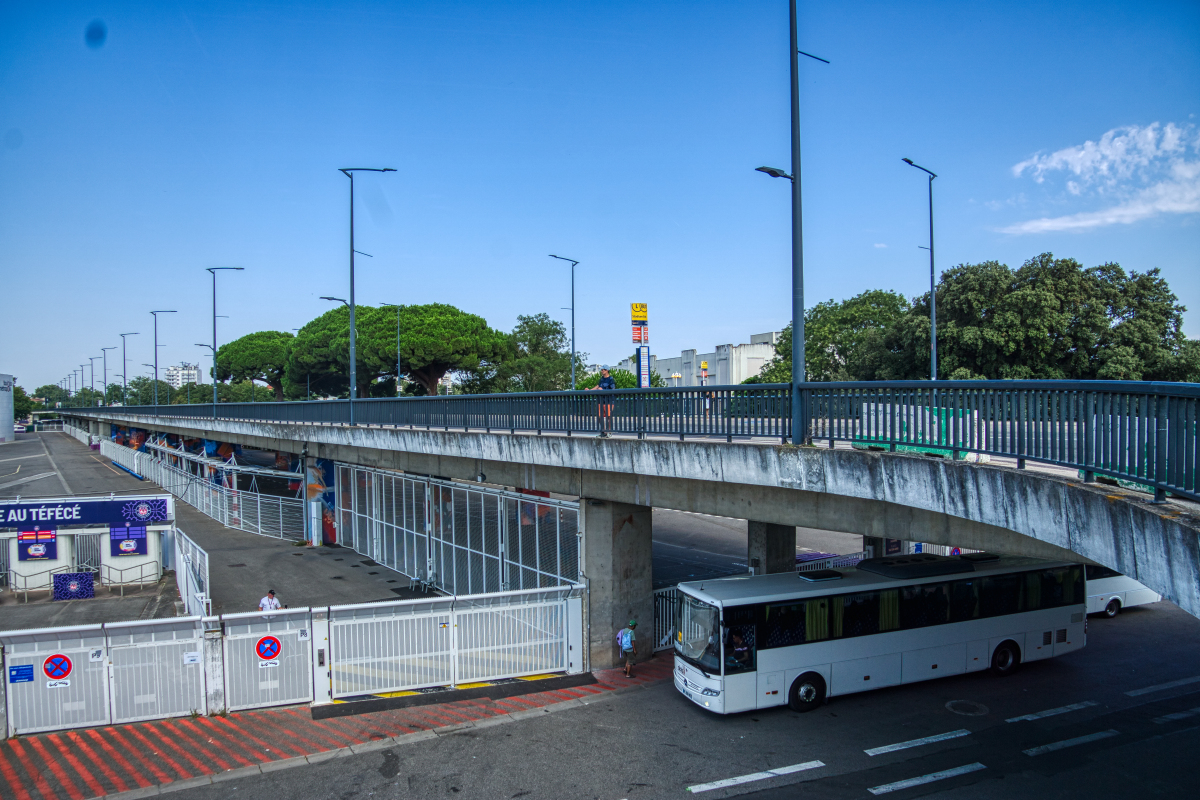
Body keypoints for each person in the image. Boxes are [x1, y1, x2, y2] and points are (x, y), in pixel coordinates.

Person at [587, 366, 617, 438]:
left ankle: (609, 432)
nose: (602, 371)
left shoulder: (611, 379)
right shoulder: (601, 379)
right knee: (600, 416)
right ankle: (603, 431)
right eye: (601, 370)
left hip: (609, 400)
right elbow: (598, 386)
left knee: (608, 416)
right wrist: (590, 390)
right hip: (601, 400)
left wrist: (603, 390)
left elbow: (613, 389)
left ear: (607, 370)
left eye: (603, 370)